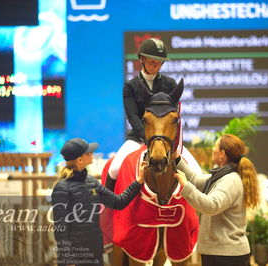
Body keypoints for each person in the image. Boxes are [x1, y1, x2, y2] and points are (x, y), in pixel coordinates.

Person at [106, 37, 201, 189]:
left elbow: (172, 117)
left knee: (196, 171)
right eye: (152, 61)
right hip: (139, 137)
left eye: (159, 62)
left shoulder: (169, 84)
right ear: (142, 59)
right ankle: (107, 206)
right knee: (114, 168)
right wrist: (146, 136)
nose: (156, 65)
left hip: (166, 140)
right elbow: (132, 115)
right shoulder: (130, 86)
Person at [51, 138, 146, 266]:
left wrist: (138, 182)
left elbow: (119, 202)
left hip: (95, 254)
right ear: (79, 160)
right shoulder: (62, 188)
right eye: (88, 152)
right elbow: (61, 228)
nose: (92, 154)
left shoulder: (91, 182)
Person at [174, 134, 260, 266]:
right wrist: (177, 159)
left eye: (214, 146)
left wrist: (185, 185)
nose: (212, 149)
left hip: (226, 256)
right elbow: (196, 180)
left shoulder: (230, 180)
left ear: (221, 154)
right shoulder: (222, 176)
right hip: (221, 252)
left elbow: (211, 206)